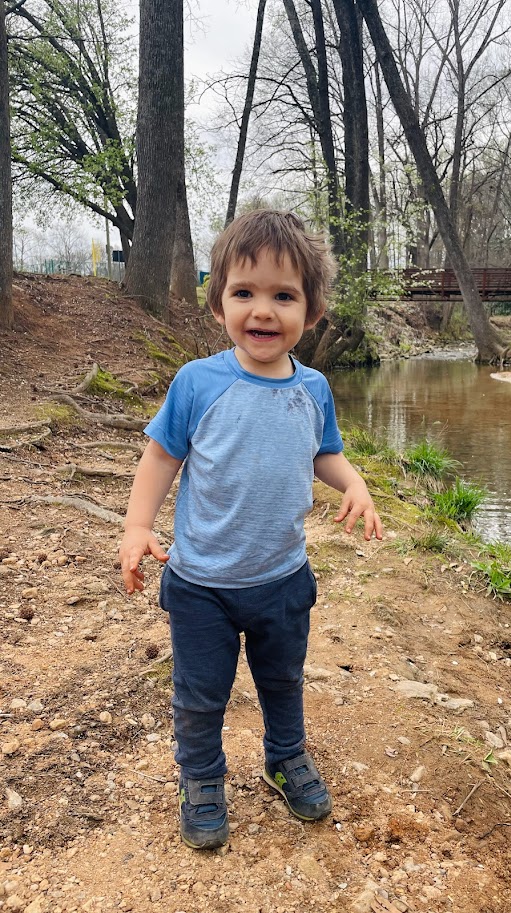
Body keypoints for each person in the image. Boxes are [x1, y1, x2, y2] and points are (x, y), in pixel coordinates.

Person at [118, 210, 383, 850]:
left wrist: (354, 483)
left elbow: (323, 453)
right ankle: (202, 779)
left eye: (282, 295)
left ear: (312, 312)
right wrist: (135, 525)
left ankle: (284, 758)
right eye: (245, 293)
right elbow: (161, 457)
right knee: (201, 694)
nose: (262, 311)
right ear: (219, 305)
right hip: (202, 584)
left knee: (282, 680)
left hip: (283, 580)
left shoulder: (314, 389)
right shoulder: (197, 383)